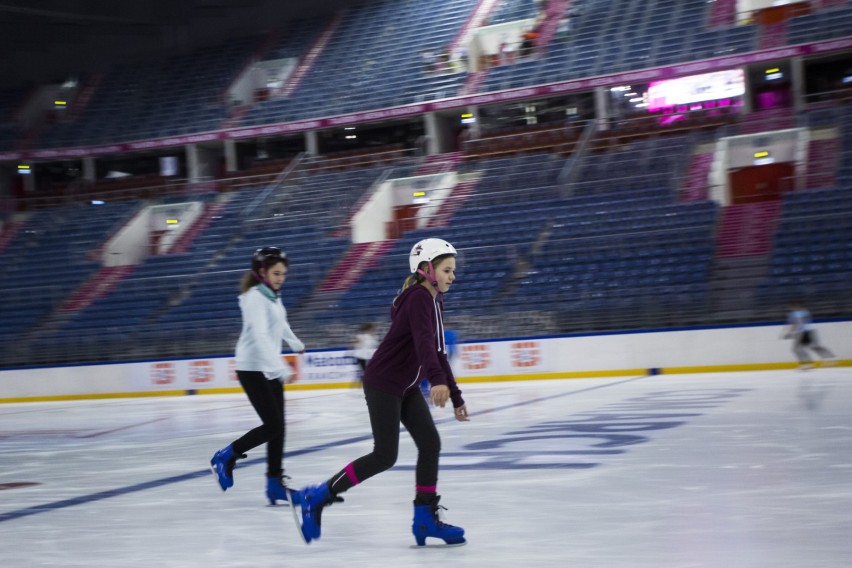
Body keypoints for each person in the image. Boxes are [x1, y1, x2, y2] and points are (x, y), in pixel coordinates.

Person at [292, 238, 469, 546]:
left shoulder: (432, 299)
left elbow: (438, 351)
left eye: (453, 270)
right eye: (447, 270)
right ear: (427, 269)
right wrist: (438, 381)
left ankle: (424, 520)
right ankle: (317, 495)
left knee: (430, 443)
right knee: (385, 455)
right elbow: (426, 345)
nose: (452, 276)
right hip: (384, 383)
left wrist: (455, 394)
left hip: (407, 386)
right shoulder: (418, 298)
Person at [210, 246, 306, 505]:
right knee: (272, 425)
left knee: (279, 428)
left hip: (268, 366)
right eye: (276, 273)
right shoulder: (254, 297)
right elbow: (261, 335)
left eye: (283, 274)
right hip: (252, 367)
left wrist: (294, 341)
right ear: (261, 271)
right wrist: (280, 368)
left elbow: (280, 323)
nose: (280, 278)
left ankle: (274, 483)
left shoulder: (272, 296)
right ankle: (227, 455)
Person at [782, 301, 837, 370]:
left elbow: (796, 324)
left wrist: (790, 333)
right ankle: (829, 358)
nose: (790, 308)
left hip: (803, 332)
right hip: (809, 331)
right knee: (812, 346)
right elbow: (798, 323)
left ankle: (807, 364)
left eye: (791, 307)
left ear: (794, 306)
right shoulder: (804, 312)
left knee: (796, 349)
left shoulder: (795, 314)